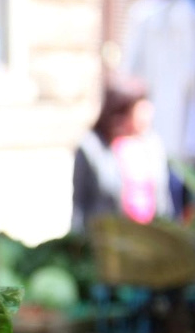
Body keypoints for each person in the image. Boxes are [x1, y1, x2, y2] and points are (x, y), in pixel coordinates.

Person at [71, 78, 175, 232]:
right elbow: (79, 206)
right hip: (109, 239)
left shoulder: (152, 145)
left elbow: (163, 199)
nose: (148, 113)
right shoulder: (93, 148)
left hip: (150, 238)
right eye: (140, 109)